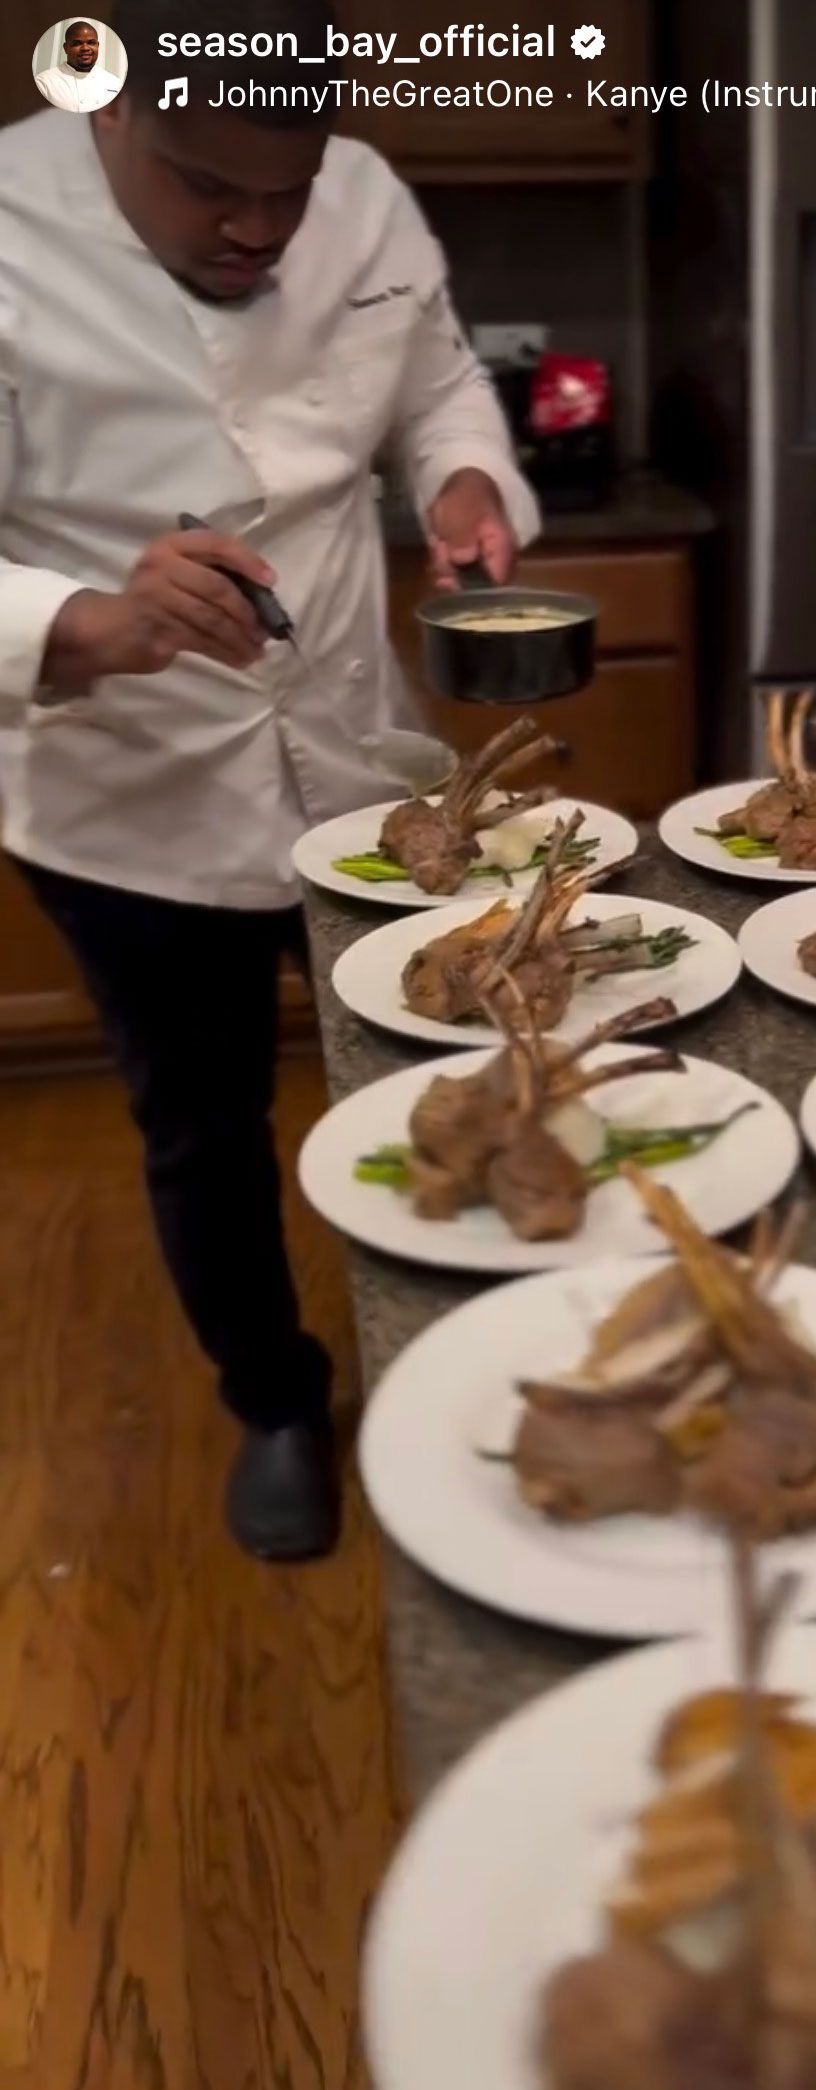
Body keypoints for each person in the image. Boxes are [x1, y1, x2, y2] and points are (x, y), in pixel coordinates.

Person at [0, 0, 539, 1561]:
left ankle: (488, 1344)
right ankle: (277, 1399)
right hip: (126, 796)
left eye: (283, 193)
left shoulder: (360, 191)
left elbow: (436, 383)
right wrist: (90, 623)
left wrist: (460, 481)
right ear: (113, 112)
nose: (255, 227)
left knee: (455, 1057)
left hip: (358, 762)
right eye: (206, 188)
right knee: (205, 1117)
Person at [34, 19, 124, 112]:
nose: (85, 48)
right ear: (66, 48)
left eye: (91, 43)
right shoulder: (44, 83)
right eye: (77, 43)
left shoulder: (115, 83)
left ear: (97, 46)